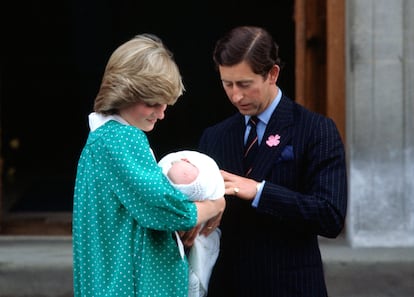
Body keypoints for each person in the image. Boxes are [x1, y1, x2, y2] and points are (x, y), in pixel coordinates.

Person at [193, 26, 348, 297]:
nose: (236, 96)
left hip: (290, 285)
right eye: (227, 84)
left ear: (272, 74)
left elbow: (330, 216)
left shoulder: (315, 129)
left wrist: (260, 192)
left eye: (244, 84)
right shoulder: (214, 136)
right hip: (228, 285)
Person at [72, 34, 225, 297]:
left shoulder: (100, 139)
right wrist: (215, 204)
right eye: (152, 103)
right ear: (122, 93)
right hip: (130, 286)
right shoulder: (122, 138)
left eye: (165, 103)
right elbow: (162, 207)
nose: (162, 112)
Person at [158, 150, 225, 297]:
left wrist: (215, 202)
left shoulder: (206, 172)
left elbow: (213, 188)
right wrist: (214, 204)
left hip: (202, 235)